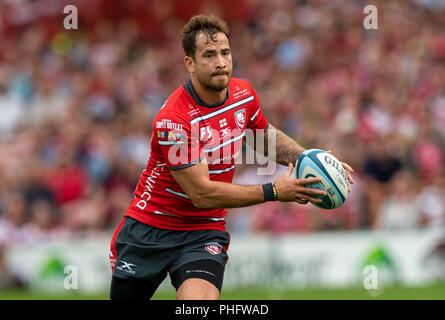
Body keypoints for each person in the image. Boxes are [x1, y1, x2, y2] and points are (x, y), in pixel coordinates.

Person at [108, 14, 354, 300]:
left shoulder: (243, 94)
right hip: (150, 230)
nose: (221, 62)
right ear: (190, 63)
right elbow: (201, 193)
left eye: (225, 53)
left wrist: (307, 158)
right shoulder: (174, 121)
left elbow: (262, 137)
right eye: (209, 55)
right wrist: (274, 191)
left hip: (202, 231)